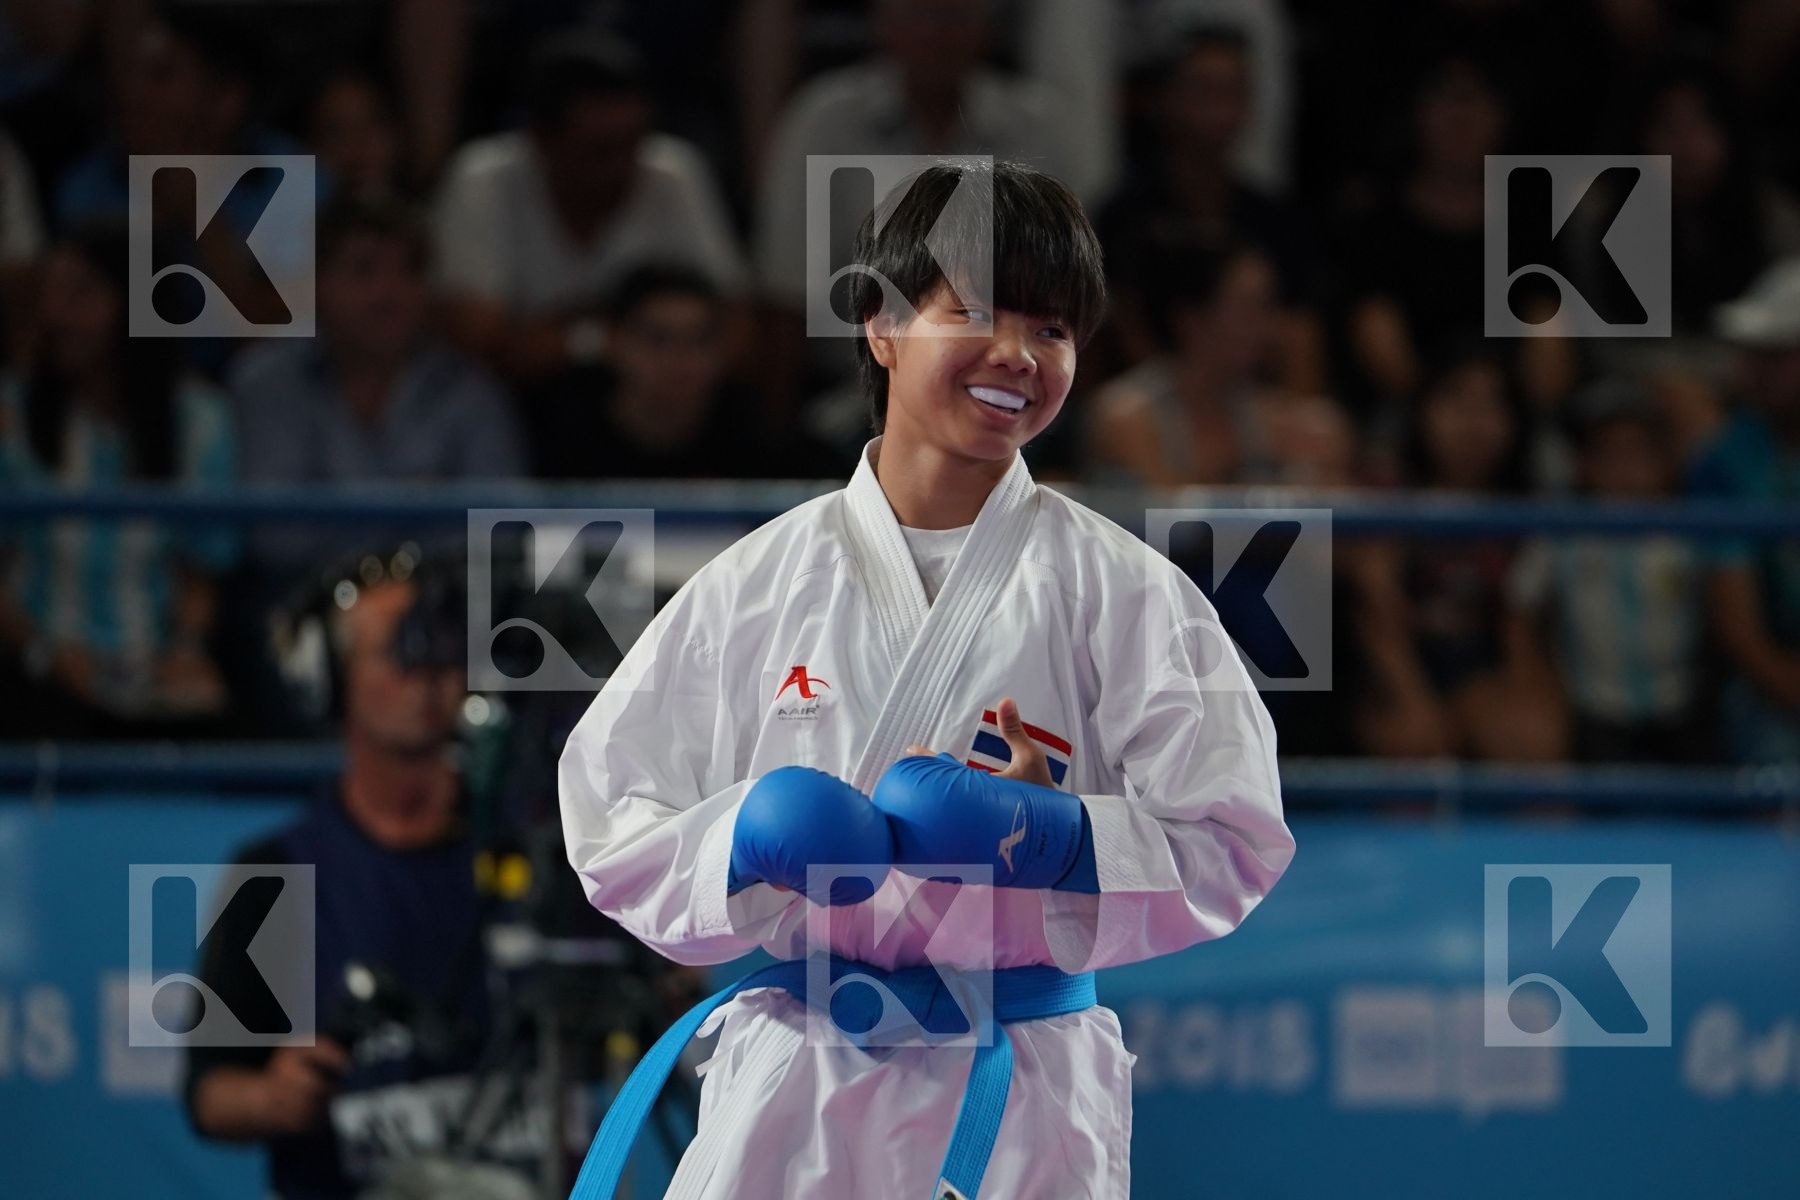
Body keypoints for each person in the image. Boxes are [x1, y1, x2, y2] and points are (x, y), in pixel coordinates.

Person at [559, 160, 1294, 1198]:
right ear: (882, 324)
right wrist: (742, 838)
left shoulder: (1126, 592)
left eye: (1054, 329)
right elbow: (610, 817)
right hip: (799, 1076)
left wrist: (1065, 840)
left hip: (1024, 1085)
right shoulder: (759, 582)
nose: (1019, 356)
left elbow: (1235, 837)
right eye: (981, 315)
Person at [183, 561, 497, 1199]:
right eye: (401, 647)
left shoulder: (536, 853)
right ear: (330, 678)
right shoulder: (273, 873)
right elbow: (210, 1093)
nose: (428, 672)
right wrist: (271, 1097)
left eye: (442, 646)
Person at [0, 222, 236, 737]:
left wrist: (184, 652)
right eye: (51, 292)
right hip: (33, 665)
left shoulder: (200, 422)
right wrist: (47, 653)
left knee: (207, 714)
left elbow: (200, 570)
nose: (56, 315)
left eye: (81, 293)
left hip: (148, 668)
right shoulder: (11, 416)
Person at [231, 195, 525, 584]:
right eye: (363, 270)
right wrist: (414, 516)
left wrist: (344, 522)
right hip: (293, 615)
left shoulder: (471, 393)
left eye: (408, 271)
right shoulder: (268, 384)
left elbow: (498, 540)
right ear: (316, 283)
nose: (389, 292)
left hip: (438, 622)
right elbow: (276, 540)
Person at [432, 28, 748, 385]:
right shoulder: (483, 178)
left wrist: (553, 333)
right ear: (540, 140)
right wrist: (599, 339)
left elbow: (737, 332)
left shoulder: (671, 171)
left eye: (632, 143)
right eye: (600, 150)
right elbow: (475, 344)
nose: (622, 167)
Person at [1690, 257, 1800, 764]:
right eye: (1751, 353)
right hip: (1774, 684)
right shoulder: (1724, 462)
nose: (1753, 370)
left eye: (1776, 355)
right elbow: (1739, 630)